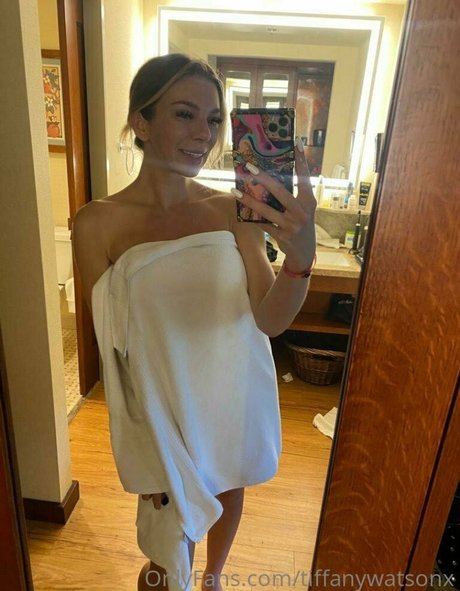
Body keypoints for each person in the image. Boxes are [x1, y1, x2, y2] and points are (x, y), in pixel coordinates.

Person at [72, 53, 316, 591]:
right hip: (162, 401)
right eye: (185, 114)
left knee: (229, 482)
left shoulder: (232, 209)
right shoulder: (96, 223)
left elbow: (271, 319)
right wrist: (137, 434)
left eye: (213, 119)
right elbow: (109, 342)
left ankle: (214, 576)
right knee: (166, 547)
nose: (204, 134)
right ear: (141, 122)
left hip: (231, 389)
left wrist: (300, 260)